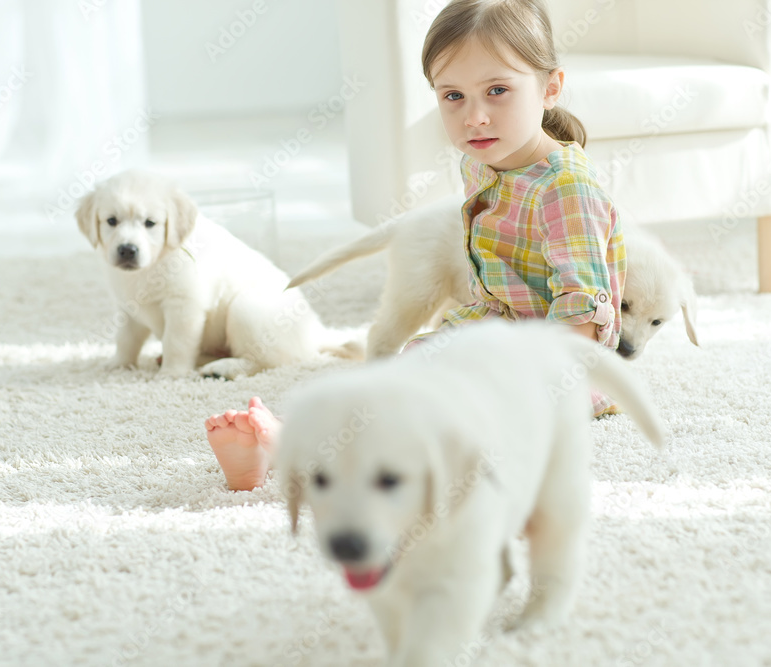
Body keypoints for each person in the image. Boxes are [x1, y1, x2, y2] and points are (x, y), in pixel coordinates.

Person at [207, 0, 624, 491]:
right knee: (401, 374)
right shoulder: (482, 162)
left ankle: (300, 456)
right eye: (453, 96)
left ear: (550, 88)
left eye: (497, 91)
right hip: (493, 333)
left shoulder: (565, 189)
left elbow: (580, 319)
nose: (474, 118)